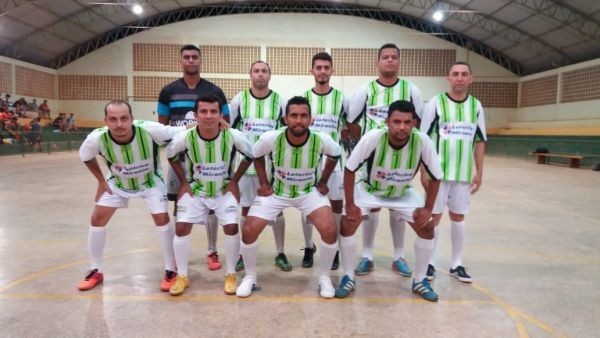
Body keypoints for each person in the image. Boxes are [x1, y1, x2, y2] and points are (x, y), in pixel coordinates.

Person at [335, 100, 442, 302]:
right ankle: (348, 276)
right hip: (369, 189)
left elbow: (436, 177)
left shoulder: (423, 141)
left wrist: (428, 209)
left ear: (414, 123)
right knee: (348, 222)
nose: (402, 127)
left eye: (407, 122)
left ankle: (420, 280)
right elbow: (350, 169)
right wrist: (350, 204)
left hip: (402, 192)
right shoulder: (373, 138)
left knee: (428, 227)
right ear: (387, 121)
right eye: (396, 121)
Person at [236, 96, 342, 299]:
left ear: (311, 119)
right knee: (249, 229)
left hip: (308, 192)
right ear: (285, 118)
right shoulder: (271, 138)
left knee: (329, 230)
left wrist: (324, 181)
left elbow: (335, 154)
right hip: (277, 193)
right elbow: (256, 155)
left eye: (303, 116)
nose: (298, 120)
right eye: (294, 115)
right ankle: (250, 277)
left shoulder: (321, 139)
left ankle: (325, 278)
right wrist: (264, 183)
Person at [77, 100, 186, 292]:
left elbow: (182, 130)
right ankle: (96, 269)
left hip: (151, 181)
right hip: (118, 183)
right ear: (105, 121)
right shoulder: (96, 138)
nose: (119, 124)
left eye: (124, 118)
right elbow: (85, 156)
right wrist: (101, 181)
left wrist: (211, 122)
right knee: (97, 218)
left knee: (161, 218)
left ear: (132, 119)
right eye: (113, 119)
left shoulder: (150, 130)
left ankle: (170, 269)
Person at [346, 43, 424, 278]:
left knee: (398, 207)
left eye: (394, 57)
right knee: (372, 206)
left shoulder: (412, 90)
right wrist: (361, 150)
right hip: (374, 160)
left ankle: (399, 256)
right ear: (378, 62)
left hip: (402, 159)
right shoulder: (366, 90)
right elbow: (352, 124)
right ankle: (367, 255)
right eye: (385, 57)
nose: (389, 61)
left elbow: (418, 123)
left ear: (399, 62)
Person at [165, 94, 253, 296]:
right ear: (195, 115)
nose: (208, 116)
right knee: (181, 227)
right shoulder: (185, 137)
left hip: (223, 190)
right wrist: (185, 183)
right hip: (197, 190)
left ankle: (230, 274)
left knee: (231, 227)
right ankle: (182, 276)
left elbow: (250, 155)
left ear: (220, 114)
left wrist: (234, 181)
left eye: (213, 111)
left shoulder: (233, 136)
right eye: (203, 111)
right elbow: (170, 156)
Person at [157, 44, 230, 271]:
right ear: (181, 61)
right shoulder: (168, 91)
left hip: (207, 159)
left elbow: (225, 125)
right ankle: (180, 256)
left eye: (194, 57)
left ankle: (212, 250)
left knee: (213, 205)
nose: (191, 61)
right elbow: (162, 128)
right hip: (180, 159)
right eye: (186, 57)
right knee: (181, 203)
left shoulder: (214, 90)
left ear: (200, 61)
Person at [419, 61, 487, 283]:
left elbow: (479, 141)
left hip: (462, 175)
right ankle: (429, 262)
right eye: (455, 74)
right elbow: (423, 139)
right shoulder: (436, 104)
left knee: (458, 217)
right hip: (437, 174)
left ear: (470, 79)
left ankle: (456, 264)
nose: (459, 78)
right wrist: (423, 171)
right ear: (448, 78)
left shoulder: (476, 106)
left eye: (464, 74)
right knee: (434, 217)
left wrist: (479, 172)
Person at [229, 61, 290, 272]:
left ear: (270, 76)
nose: (260, 75)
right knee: (246, 209)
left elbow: (285, 134)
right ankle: (242, 253)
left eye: (264, 71)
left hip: (271, 168)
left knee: (278, 211)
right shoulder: (239, 100)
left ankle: (280, 253)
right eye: (256, 71)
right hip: (245, 167)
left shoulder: (280, 101)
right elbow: (230, 132)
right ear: (250, 75)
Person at [300, 52, 349, 270]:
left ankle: (335, 247)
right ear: (311, 71)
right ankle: (309, 246)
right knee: (306, 205)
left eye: (326, 67)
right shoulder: (303, 98)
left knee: (337, 204)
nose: (322, 71)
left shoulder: (342, 98)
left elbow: (349, 129)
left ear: (332, 70)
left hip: (335, 162)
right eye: (318, 67)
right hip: (308, 161)